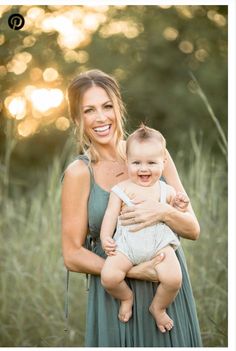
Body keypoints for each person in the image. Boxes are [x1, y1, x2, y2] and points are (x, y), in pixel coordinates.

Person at [61, 69, 202, 347]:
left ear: (119, 107)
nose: (101, 118)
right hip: (116, 292)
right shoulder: (79, 172)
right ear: (77, 118)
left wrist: (163, 212)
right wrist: (134, 271)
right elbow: (72, 255)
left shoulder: (153, 152)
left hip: (167, 282)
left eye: (107, 106)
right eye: (89, 110)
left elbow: (193, 229)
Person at [100, 125, 188, 333]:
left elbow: (175, 214)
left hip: (159, 246)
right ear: (127, 162)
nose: (143, 169)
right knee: (109, 276)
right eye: (136, 162)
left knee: (174, 279)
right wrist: (105, 237)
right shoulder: (122, 189)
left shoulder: (166, 190)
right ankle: (126, 297)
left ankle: (158, 307)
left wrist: (180, 206)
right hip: (127, 246)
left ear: (163, 163)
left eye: (151, 163)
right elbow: (111, 215)